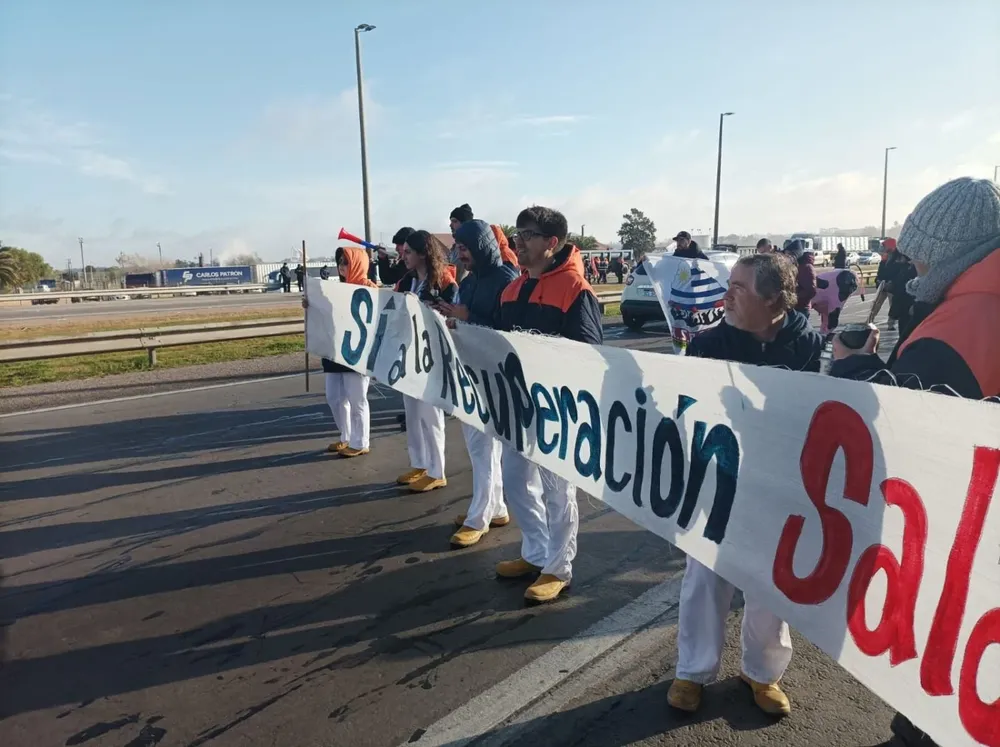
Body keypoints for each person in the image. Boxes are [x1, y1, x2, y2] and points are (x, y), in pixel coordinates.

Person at [830, 177, 1000, 746]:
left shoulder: (962, 323)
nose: (912, 267)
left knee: (938, 690)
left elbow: (909, 433)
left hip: (960, 541)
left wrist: (855, 370)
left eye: (920, 255)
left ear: (952, 252)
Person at [667, 252, 823, 717]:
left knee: (770, 584)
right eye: (728, 284)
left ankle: (763, 673)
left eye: (740, 287)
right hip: (717, 478)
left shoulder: (808, 344)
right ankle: (691, 671)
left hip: (778, 483)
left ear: (774, 298)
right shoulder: (708, 345)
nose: (727, 295)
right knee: (704, 576)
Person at [495, 206, 603, 604]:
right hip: (516, 407)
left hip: (558, 411)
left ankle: (559, 567)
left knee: (558, 492)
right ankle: (536, 552)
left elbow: (590, 354)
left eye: (526, 234)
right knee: (514, 479)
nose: (517, 242)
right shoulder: (512, 289)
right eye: (516, 233)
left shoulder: (575, 289)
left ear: (551, 243)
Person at [436, 219, 519, 548]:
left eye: (466, 248)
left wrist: (468, 319)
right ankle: (494, 506)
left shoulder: (506, 280)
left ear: (482, 246)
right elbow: (465, 316)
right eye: (458, 248)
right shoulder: (470, 282)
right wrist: (451, 318)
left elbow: (508, 333)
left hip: (495, 379)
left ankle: (479, 517)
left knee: (484, 449)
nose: (461, 254)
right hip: (472, 375)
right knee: (479, 448)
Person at [394, 230, 459, 493]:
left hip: (432, 357)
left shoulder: (444, 282)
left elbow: (450, 317)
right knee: (412, 413)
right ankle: (419, 463)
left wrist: (425, 310)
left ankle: (437, 470)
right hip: (409, 355)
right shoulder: (406, 280)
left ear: (423, 253)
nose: (403, 255)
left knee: (430, 414)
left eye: (408, 251)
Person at [306, 247, 376, 458]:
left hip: (357, 352)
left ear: (357, 263)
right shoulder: (336, 288)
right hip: (335, 350)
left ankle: (360, 441)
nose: (342, 267)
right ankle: (346, 436)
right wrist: (310, 305)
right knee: (334, 397)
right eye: (339, 262)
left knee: (357, 399)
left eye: (346, 262)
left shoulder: (369, 287)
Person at [782, 239, 817, 312]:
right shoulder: (793, 266)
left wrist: (793, 298)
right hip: (792, 306)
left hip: (801, 308)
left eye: (788, 254)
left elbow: (811, 290)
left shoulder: (806, 267)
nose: (786, 257)